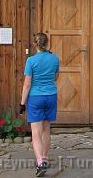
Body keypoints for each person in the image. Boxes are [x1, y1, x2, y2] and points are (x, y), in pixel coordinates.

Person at [19, 32, 60, 177]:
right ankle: (45, 157)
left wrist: (22, 103)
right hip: (51, 96)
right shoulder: (55, 58)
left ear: (35, 44)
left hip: (36, 98)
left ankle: (40, 162)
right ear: (47, 43)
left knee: (36, 133)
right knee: (46, 129)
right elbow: (55, 77)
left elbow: (27, 84)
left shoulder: (31, 61)